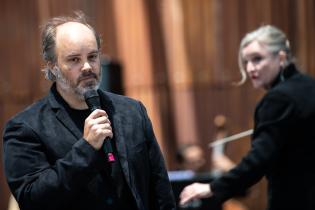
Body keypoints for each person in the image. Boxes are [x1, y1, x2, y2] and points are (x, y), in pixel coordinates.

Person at [2, 12, 175, 210]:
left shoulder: (131, 111)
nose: (87, 67)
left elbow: (159, 187)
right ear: (53, 66)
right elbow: (32, 198)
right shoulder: (25, 128)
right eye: (74, 60)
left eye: (92, 57)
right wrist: (86, 148)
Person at [179, 25, 315, 210]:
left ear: (281, 57)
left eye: (257, 59)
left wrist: (213, 187)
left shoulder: (278, 99)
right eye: (246, 61)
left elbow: (259, 160)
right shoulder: (310, 86)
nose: (250, 68)